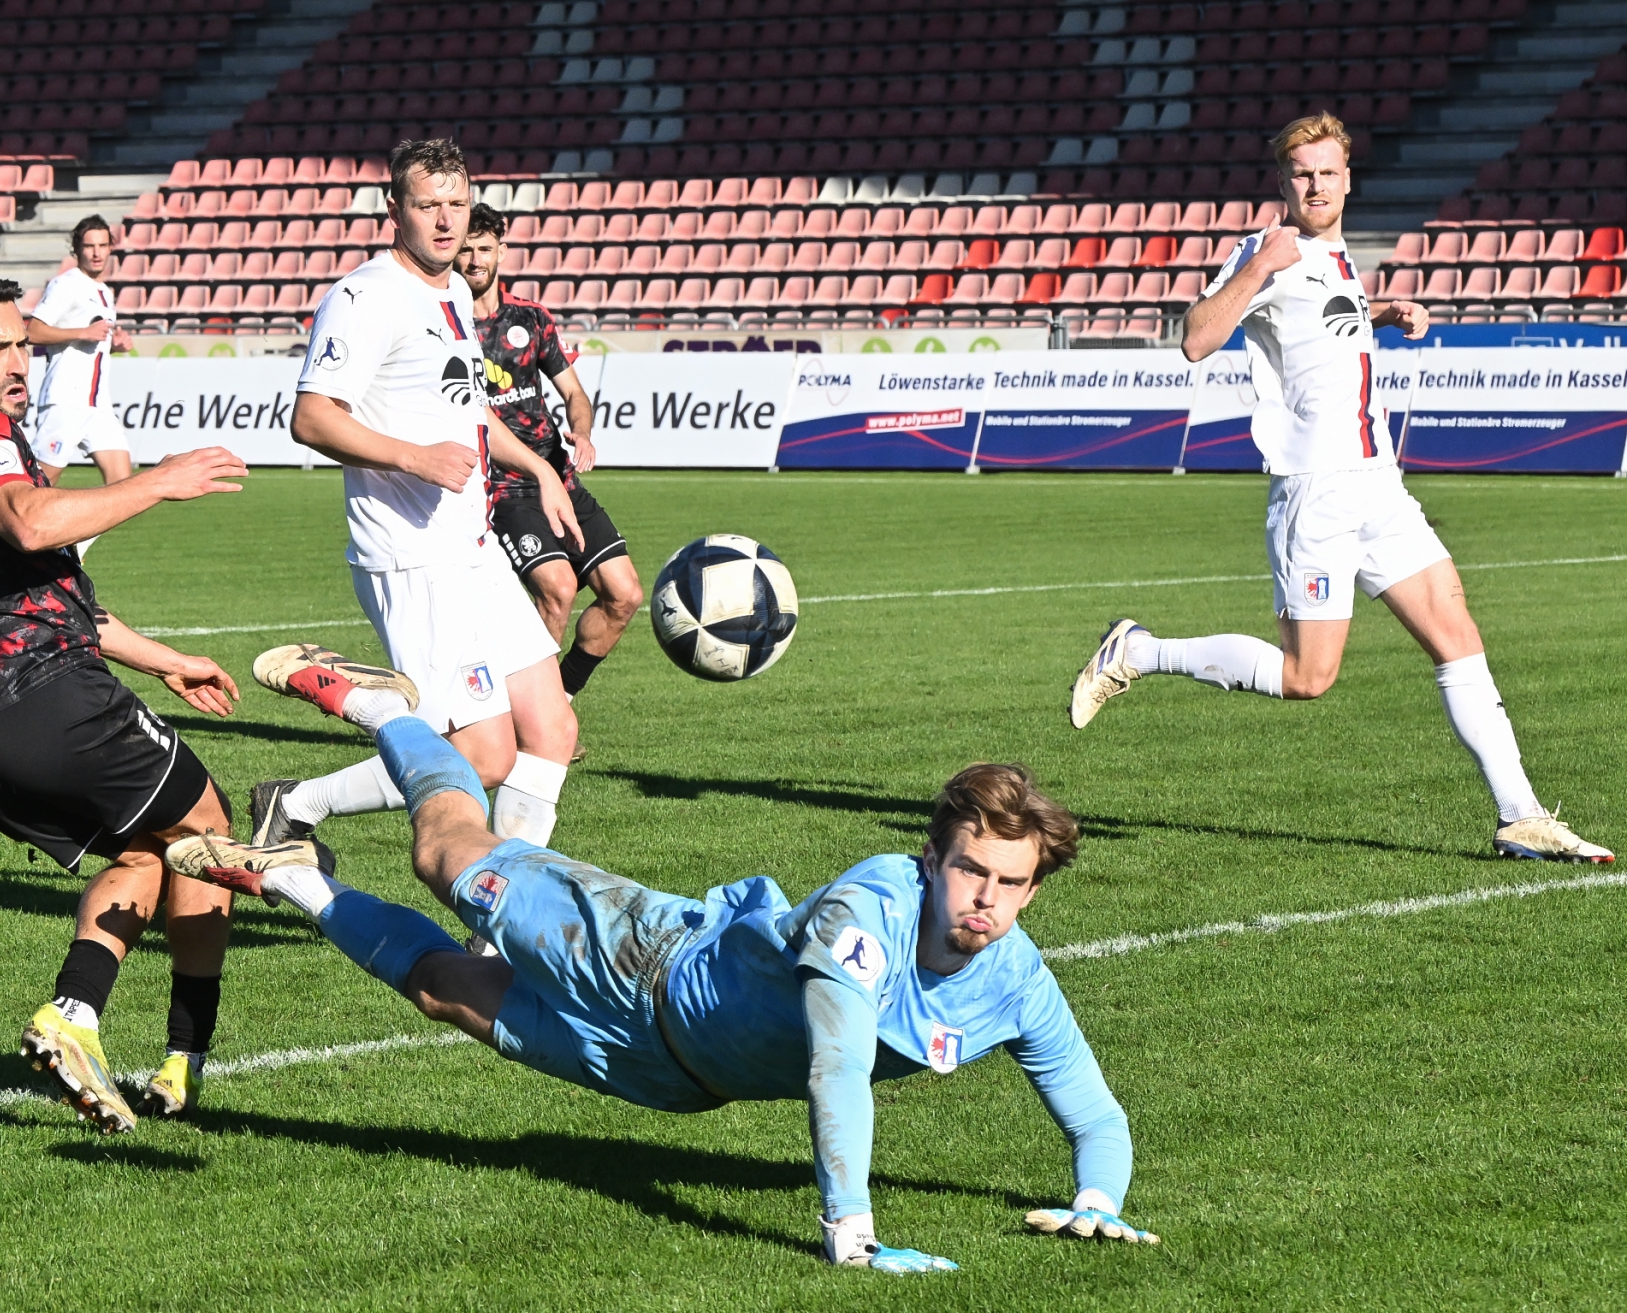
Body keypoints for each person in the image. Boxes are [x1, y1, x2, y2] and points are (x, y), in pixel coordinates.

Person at [170, 650, 1159, 1271]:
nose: (986, 896)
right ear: (931, 857)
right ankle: (386, 710)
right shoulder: (874, 900)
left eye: (1011, 881)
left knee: (444, 990)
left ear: (1035, 887)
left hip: (670, 1073)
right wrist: (849, 1233)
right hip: (640, 957)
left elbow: (1093, 1106)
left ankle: (297, 876)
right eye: (970, 868)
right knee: (445, 856)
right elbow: (836, 1064)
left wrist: (1096, 1201)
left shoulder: (1018, 977)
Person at [1069, 112, 1611, 864]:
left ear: (1348, 178)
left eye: (1327, 172)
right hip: (1316, 490)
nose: (1315, 184)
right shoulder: (1268, 249)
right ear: (1283, 182)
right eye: (1301, 173)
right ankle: (1139, 650)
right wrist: (1258, 268)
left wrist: (1380, 312)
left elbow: (1320, 329)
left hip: (1378, 484)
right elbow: (1195, 338)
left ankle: (1520, 814)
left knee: (1456, 633)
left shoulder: (1334, 253)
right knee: (1307, 676)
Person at [0, 272, 253, 1133]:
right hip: (43, 701)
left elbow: (56, 594)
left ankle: (75, 1017)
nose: (22, 360)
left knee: (145, 854)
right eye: (0, 346)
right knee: (207, 828)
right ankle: (185, 1059)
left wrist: (169, 660)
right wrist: (159, 482)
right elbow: (30, 522)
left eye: (25, 341)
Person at [249, 139, 583, 859]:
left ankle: (502, 927)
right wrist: (413, 456)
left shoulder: (456, 290)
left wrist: (541, 469)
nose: (446, 221)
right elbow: (311, 417)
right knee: (482, 756)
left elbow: (470, 409)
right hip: (412, 557)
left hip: (474, 547)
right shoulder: (365, 297)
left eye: (457, 204)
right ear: (393, 207)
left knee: (553, 730)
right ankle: (294, 804)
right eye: (428, 205)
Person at [455, 202, 643, 732]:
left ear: (501, 251)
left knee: (624, 594)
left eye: (483, 249)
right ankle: (531, 723)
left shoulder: (532, 319)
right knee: (557, 589)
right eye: (466, 249)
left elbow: (574, 393)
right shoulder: (446, 329)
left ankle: (558, 700)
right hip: (503, 487)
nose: (473, 259)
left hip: (558, 476)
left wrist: (580, 430)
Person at [26, 215, 134, 564]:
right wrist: (81, 333)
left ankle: (72, 551)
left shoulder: (104, 291)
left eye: (103, 245)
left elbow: (93, 340)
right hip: (66, 399)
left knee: (123, 484)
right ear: (77, 250)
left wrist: (113, 343)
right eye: (89, 246)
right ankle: (0, 555)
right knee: (40, 487)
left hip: (97, 404)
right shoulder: (66, 284)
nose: (97, 253)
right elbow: (33, 332)